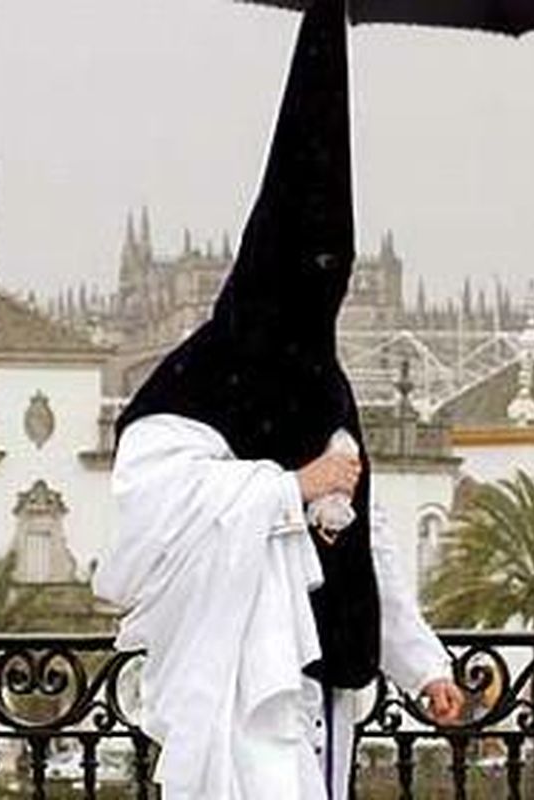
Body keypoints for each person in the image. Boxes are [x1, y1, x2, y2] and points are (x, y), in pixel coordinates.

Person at [91, 1, 463, 798]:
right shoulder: (196, 382)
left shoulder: (323, 381)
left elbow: (371, 541)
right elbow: (154, 506)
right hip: (246, 686)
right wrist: (292, 488)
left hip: (328, 688)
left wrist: (424, 666)